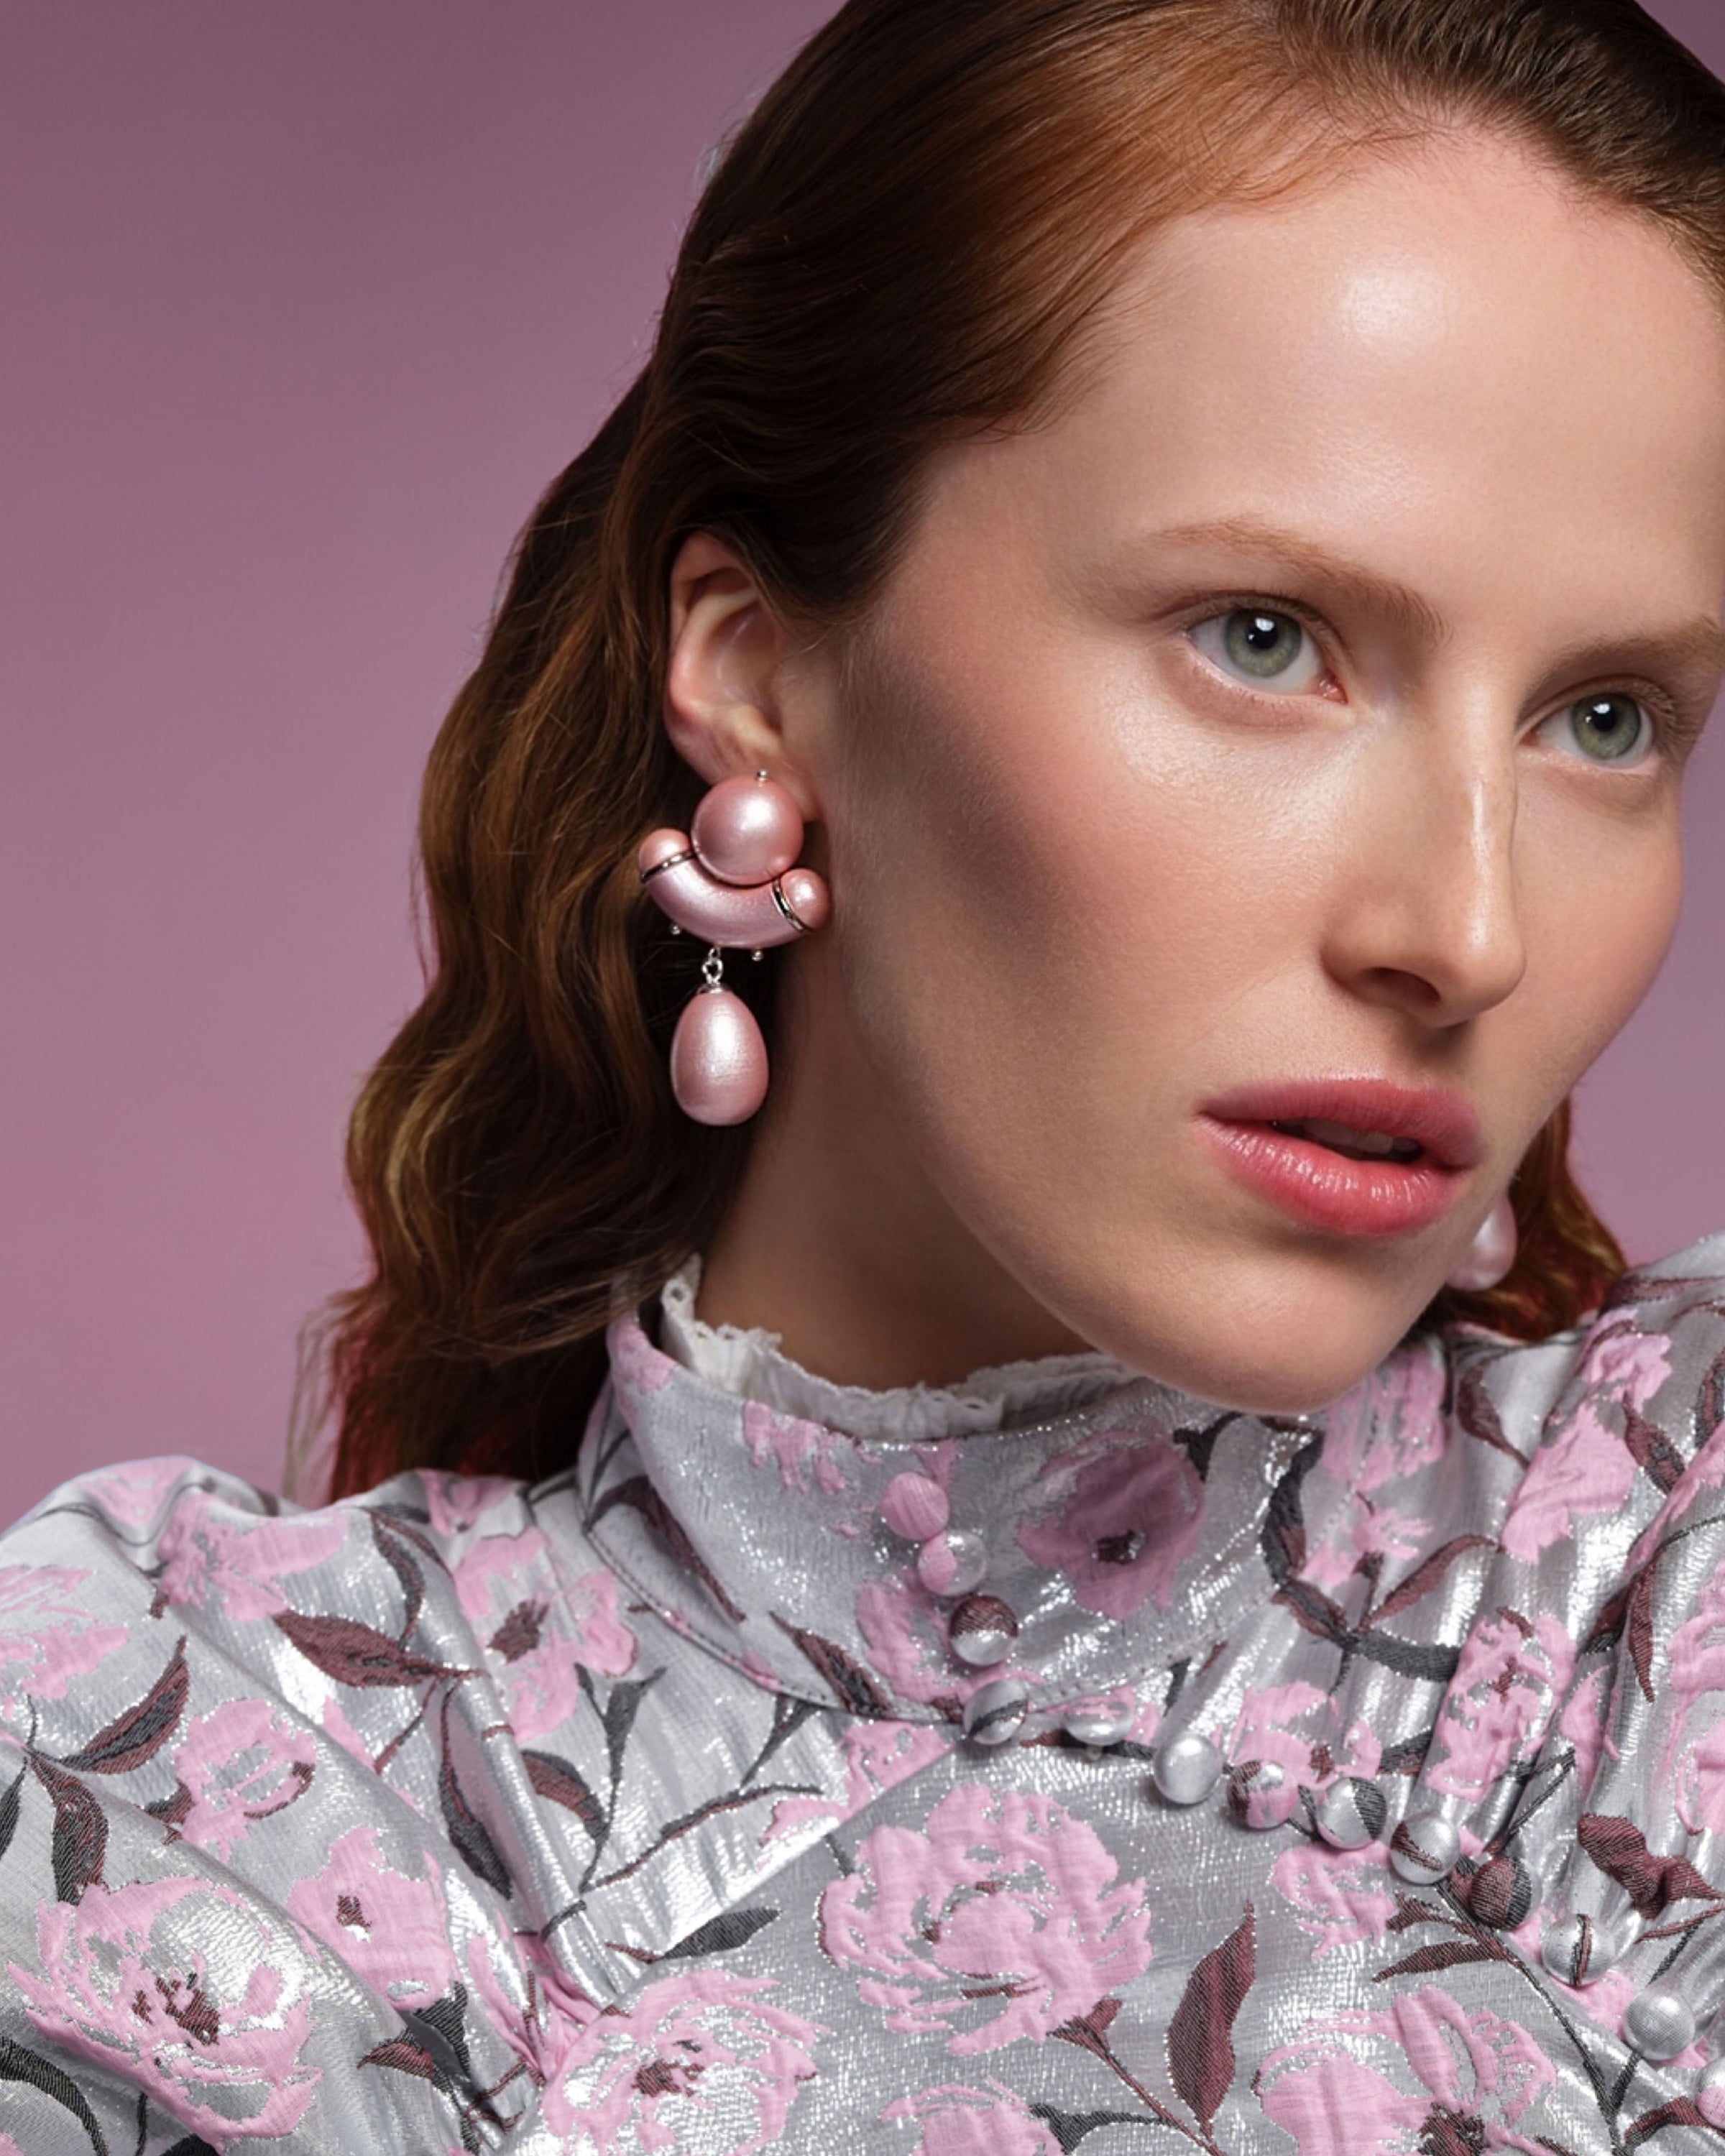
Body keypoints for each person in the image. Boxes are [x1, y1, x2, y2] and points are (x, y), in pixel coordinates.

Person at [6, 0, 1725, 2147]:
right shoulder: (206, 1795)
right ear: (755, 672)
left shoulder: (1661, 1621)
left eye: (1607, 719)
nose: (1470, 931)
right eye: (1265, 637)